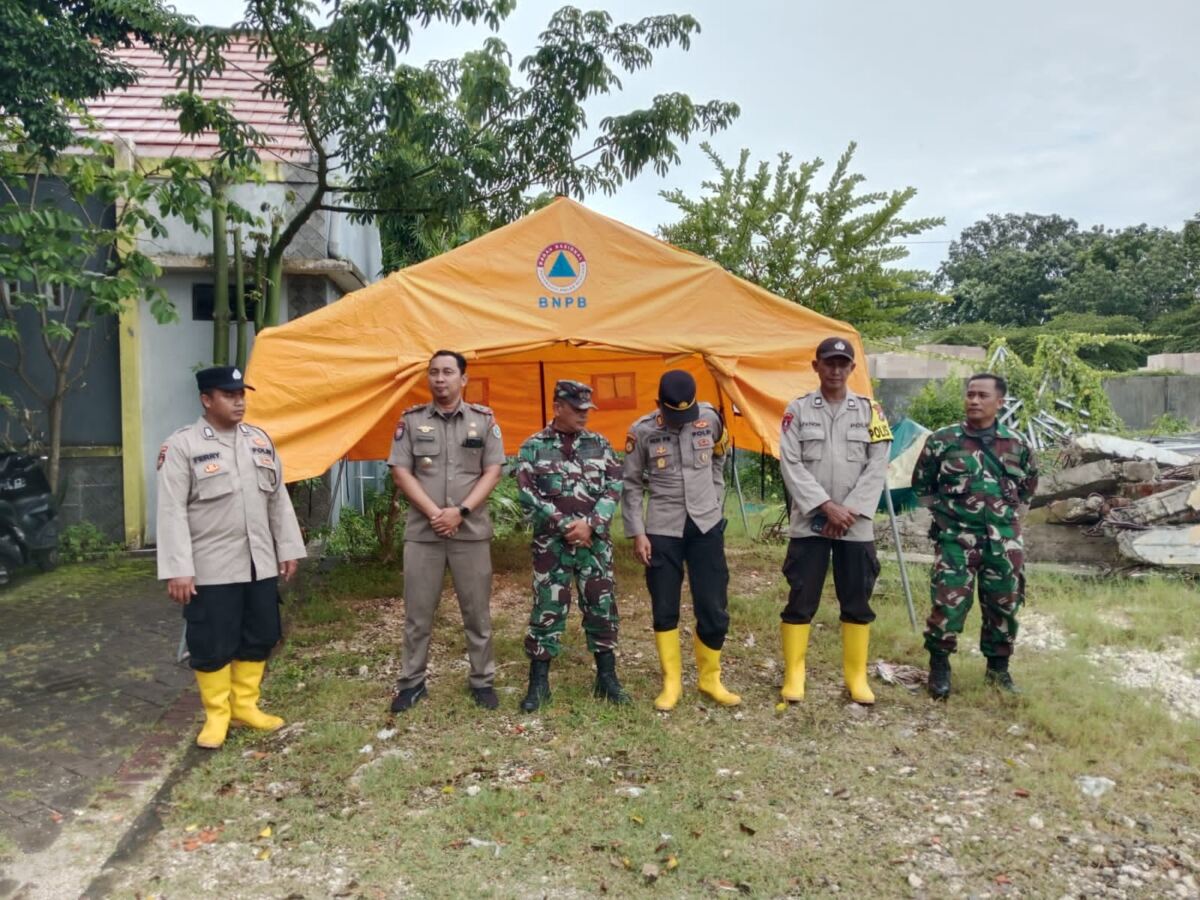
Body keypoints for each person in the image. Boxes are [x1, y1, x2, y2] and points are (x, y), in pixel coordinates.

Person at [156, 366, 306, 749]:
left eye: (241, 394)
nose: (239, 401)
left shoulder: (259, 441)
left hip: (259, 561)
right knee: (212, 640)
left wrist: (287, 548)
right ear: (207, 399)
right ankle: (217, 715)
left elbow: (278, 500)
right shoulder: (182, 446)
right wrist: (178, 570)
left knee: (260, 634)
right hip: (210, 566)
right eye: (228, 394)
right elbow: (171, 510)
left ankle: (245, 706)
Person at [387, 350, 505, 712]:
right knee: (418, 613)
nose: (440, 378)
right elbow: (401, 471)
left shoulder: (484, 421)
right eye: (434, 372)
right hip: (424, 533)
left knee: (477, 613)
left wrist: (461, 511)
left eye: (448, 372)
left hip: (470, 532)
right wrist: (437, 513)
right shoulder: (411, 420)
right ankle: (412, 683)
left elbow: (493, 470)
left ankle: (482, 680)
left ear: (463, 379)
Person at [777, 337, 892, 705]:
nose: (836, 370)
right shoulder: (796, 411)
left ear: (853, 369)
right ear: (816, 366)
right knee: (801, 598)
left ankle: (856, 677)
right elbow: (790, 463)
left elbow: (878, 465)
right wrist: (826, 506)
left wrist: (850, 511)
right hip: (811, 521)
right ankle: (795, 675)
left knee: (857, 598)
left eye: (843, 363)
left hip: (855, 525)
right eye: (829, 363)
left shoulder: (872, 412)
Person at [911, 372, 1038, 699]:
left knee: (1005, 607)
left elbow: (1028, 490)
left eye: (982, 396)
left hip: (1004, 544)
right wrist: (943, 516)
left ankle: (999, 669)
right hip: (956, 540)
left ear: (1000, 402)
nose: (974, 401)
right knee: (947, 604)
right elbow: (922, 486)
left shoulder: (1017, 443)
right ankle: (939, 665)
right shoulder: (943, 440)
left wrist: (1009, 521)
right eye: (970, 394)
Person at [622, 370, 740, 709]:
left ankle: (710, 679)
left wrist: (716, 499)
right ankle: (671, 683)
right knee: (664, 604)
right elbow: (631, 485)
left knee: (713, 603)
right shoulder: (642, 431)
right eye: (673, 414)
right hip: (662, 527)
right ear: (658, 404)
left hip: (705, 524)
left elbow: (719, 458)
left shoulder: (709, 418)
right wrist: (638, 532)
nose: (680, 421)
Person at [514, 380, 628, 711]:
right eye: (577, 410)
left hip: (595, 545)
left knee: (601, 607)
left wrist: (591, 524)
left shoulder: (600, 444)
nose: (584, 416)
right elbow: (526, 492)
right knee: (547, 610)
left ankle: (606, 679)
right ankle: (538, 685)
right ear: (558, 407)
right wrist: (565, 525)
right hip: (552, 547)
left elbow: (614, 483)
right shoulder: (533, 446)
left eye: (587, 410)